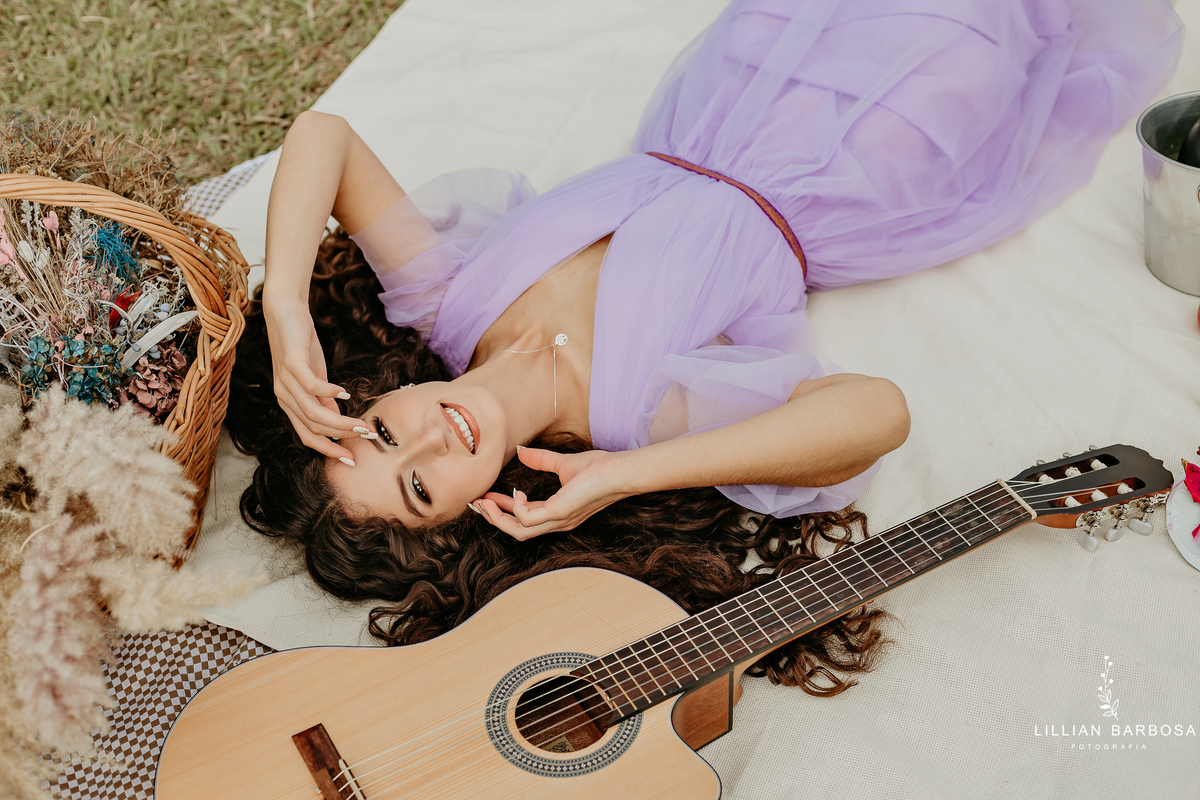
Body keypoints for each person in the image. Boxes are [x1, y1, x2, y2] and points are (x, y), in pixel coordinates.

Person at [225, 0, 1182, 694]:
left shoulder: (444, 301)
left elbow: (325, 134)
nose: (432, 438)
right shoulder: (639, 416)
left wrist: (289, 315)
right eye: (421, 486)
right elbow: (877, 413)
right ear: (475, 512)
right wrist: (622, 475)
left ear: (372, 399)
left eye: (383, 435)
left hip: (723, 100)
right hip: (857, 168)